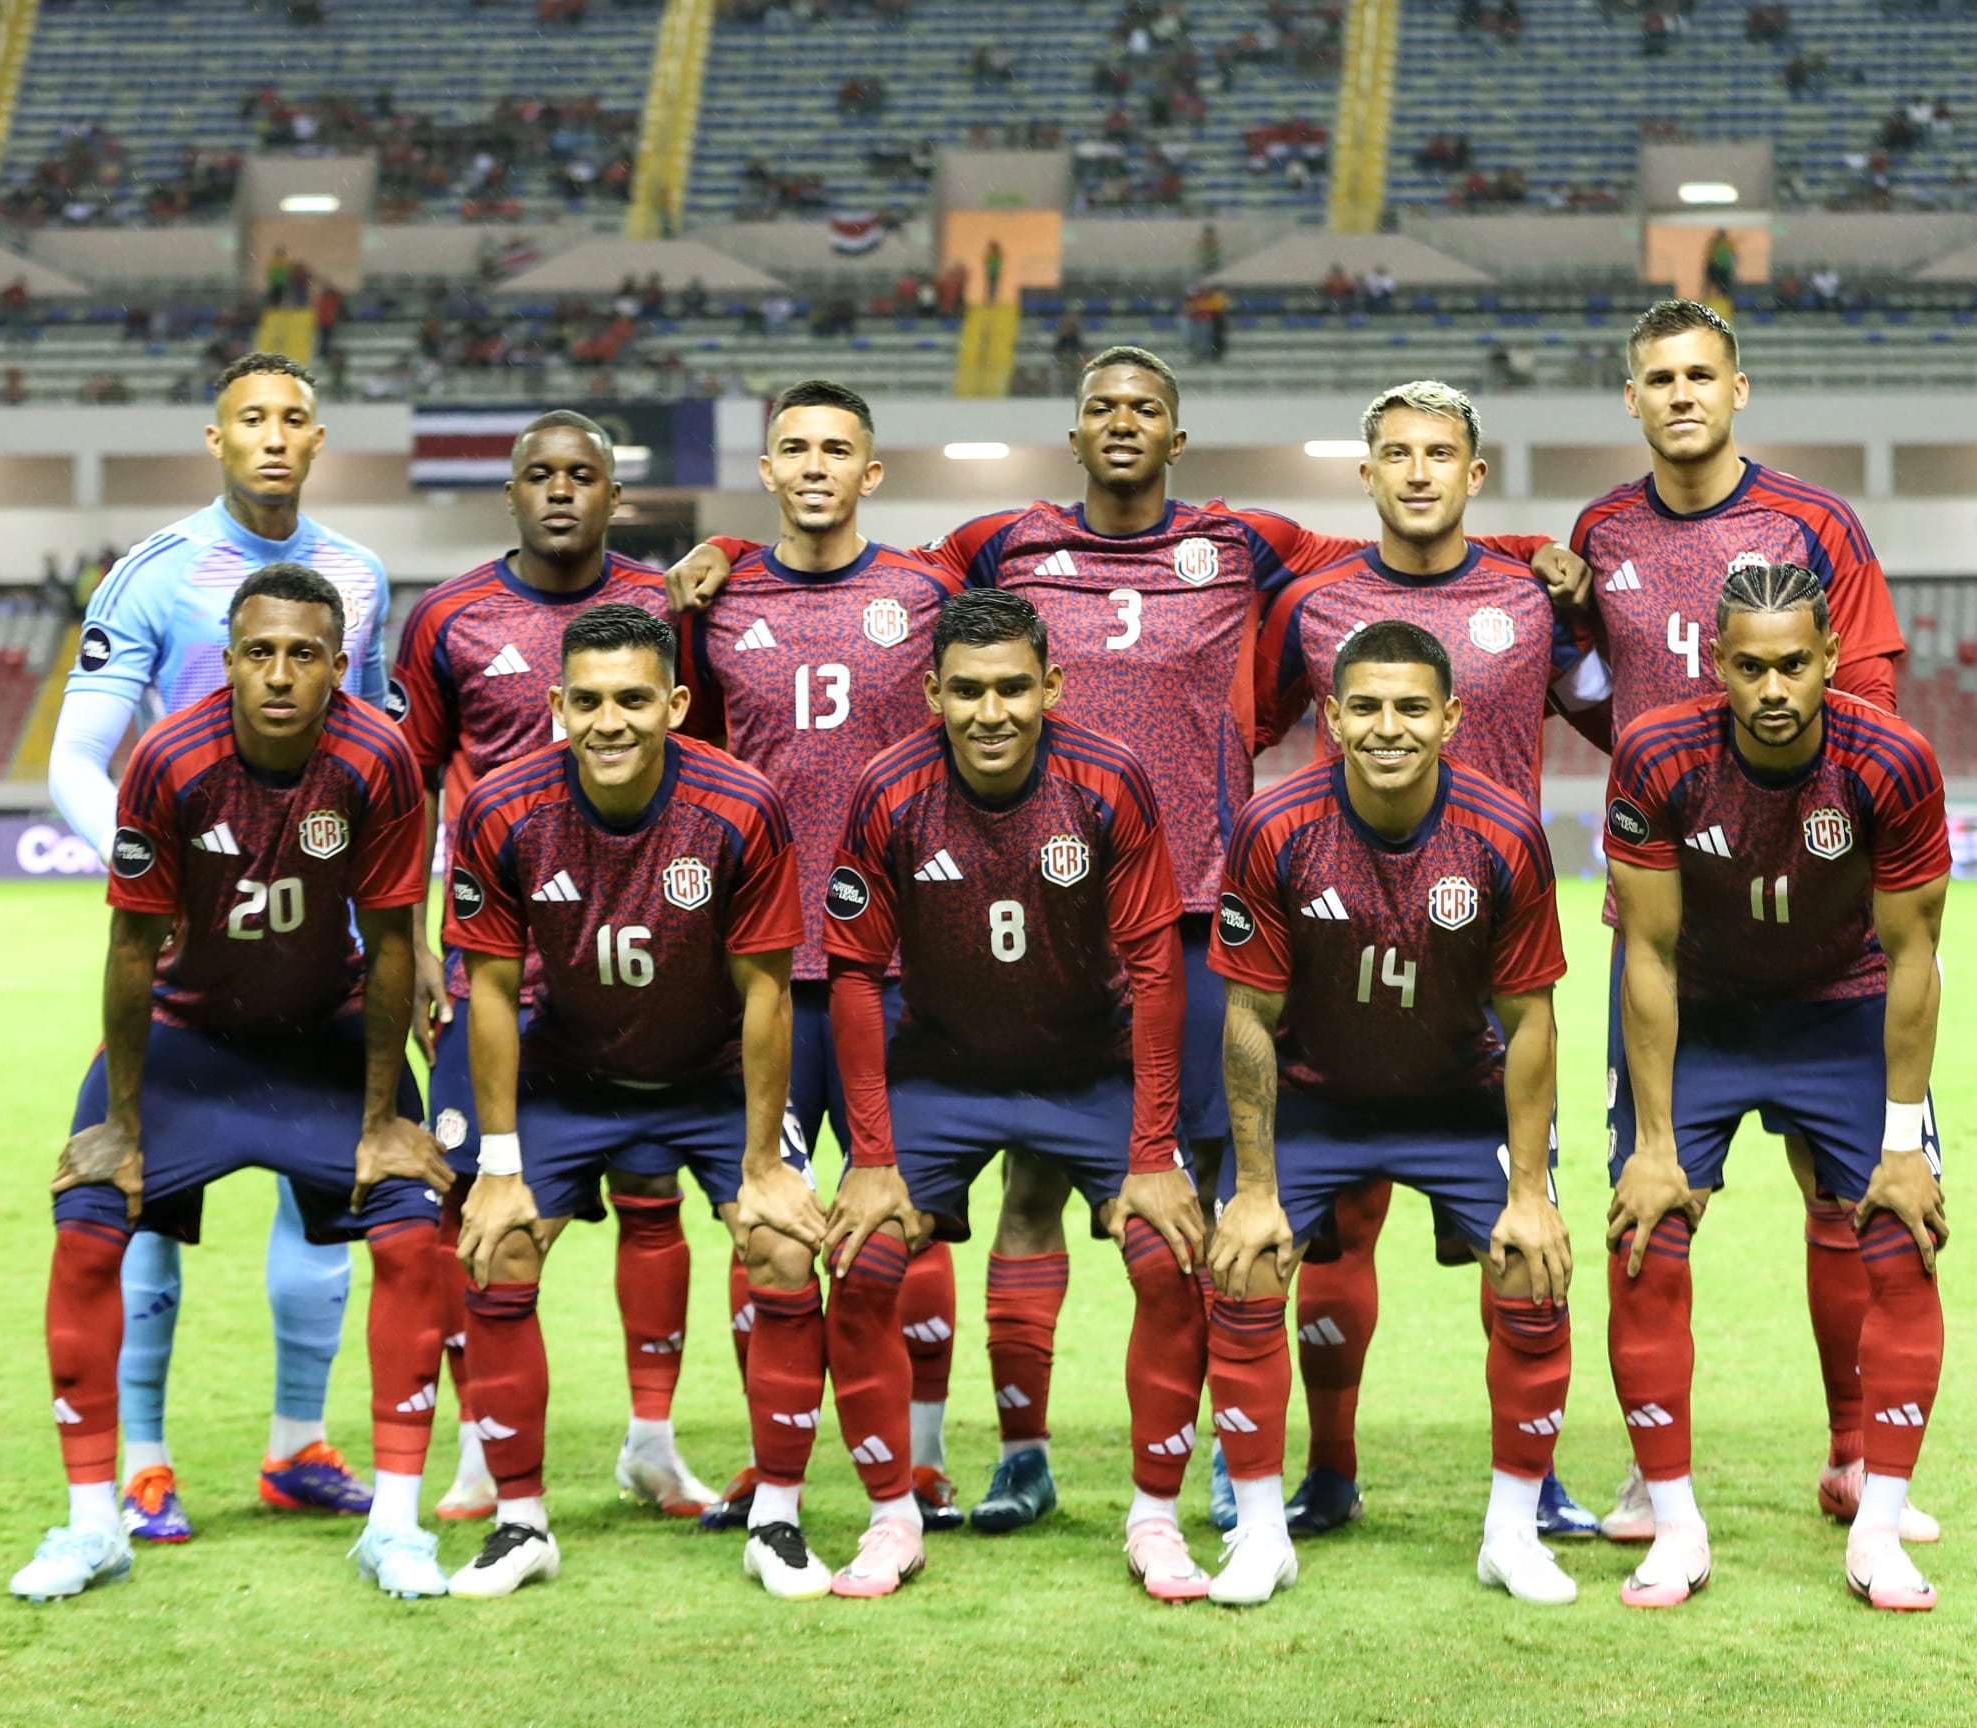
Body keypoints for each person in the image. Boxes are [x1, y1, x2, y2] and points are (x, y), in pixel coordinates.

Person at [668, 347, 1580, 1535]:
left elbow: (1385, 550)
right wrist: (732, 555)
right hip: (1033, 914)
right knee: (1031, 1192)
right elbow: (858, 565)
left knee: (1198, 1193)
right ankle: (1023, 1454)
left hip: (1199, 916)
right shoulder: (1001, 549)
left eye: (1146, 408)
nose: (1122, 424)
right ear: (1073, 430)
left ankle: (1214, 1454)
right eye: (1101, 407)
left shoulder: (1248, 547)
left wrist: (1515, 553)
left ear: (1176, 436)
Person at [1557, 299, 1931, 1546]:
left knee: (1847, 1203)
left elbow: (1864, 696)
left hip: (1823, 917)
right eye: (1657, 377)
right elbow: (1592, 694)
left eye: (1700, 375)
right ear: (1631, 398)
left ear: (1739, 389)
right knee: (1652, 1202)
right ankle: (1649, 1474)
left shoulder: (1814, 526)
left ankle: (1848, 1447)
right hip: (1671, 912)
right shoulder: (1600, 532)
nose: (1679, 394)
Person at [9, 564, 455, 1603]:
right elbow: (131, 951)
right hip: (186, 1042)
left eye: (305, 653)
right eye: (260, 651)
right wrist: (120, 1122)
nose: (282, 673)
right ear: (228, 658)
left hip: (325, 1040)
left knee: (412, 1231)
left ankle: (396, 1526)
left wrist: (387, 1115)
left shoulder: (377, 757)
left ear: (341, 666)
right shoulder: (168, 757)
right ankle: (92, 1525)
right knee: (85, 1225)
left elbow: (394, 945)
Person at [46, 353, 396, 1541]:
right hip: (192, 954)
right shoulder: (156, 572)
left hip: (329, 945)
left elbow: (382, 755)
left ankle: (298, 1445)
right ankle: (144, 1460)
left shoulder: (359, 574)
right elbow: (73, 763)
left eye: (295, 418)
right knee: (142, 1192)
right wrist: (161, 879)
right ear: (216, 439)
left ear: (318, 436)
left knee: (330, 1198)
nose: (275, 437)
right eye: (252, 419)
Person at [1249, 380, 1607, 1539]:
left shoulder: (1530, 595)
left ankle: (1533, 1486)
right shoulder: (1313, 603)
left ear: (1474, 473)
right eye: (1395, 454)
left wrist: (1546, 557)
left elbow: (1609, 704)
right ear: (1365, 475)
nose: (1416, 472)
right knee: (1334, 1231)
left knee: (1520, 1234)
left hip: (1488, 953)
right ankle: (1330, 1472)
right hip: (1339, 948)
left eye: (1439, 453)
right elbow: (1247, 721)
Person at [821, 588, 1213, 1602]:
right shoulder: (888, 789)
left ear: (1052, 686)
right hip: (944, 1073)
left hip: (1088, 1071)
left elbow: (1157, 968)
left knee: (1171, 1261)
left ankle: (1156, 1521)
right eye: (966, 692)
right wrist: (869, 1159)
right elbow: (856, 973)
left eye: (1010, 688)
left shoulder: (1107, 781)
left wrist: (1153, 1153)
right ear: (931, 694)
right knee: (861, 1260)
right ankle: (890, 1518)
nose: (990, 712)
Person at [1601, 559, 1951, 1612]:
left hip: (1842, 1011)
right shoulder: (1658, 755)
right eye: (1750, 667)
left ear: (1831, 657)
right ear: (1718, 665)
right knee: (1644, 1238)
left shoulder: (1891, 761)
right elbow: (1648, 956)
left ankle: (1879, 1527)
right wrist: (1654, 1145)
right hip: (1702, 1016)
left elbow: (1913, 956)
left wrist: (1900, 1141)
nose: (1773, 688)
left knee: (1904, 1240)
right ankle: (1674, 1523)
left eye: (1794, 664)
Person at [1207, 620, 1576, 1608]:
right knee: (1241, 1263)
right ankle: (1259, 1535)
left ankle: (1511, 1534)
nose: (1388, 727)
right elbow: (1249, 1019)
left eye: (1412, 706)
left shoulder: (1503, 831)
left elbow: (1530, 1020)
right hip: (1318, 1103)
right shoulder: (1275, 826)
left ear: (1452, 716)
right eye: (1364, 706)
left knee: (1534, 1270)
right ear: (1329, 717)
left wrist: (1532, 1192)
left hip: (1461, 1105)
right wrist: (1250, 1190)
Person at [440, 604, 805, 1598]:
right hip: (572, 1077)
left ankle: (778, 1517)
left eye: (635, 699)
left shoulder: (740, 806)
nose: (610, 721)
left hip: (713, 1080)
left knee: (780, 1244)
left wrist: (766, 1166)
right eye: (589, 701)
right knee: (498, 1243)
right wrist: (502, 1168)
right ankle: (520, 1525)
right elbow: (487, 988)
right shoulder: (503, 809)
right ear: (556, 705)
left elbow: (767, 990)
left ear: (677, 704)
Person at [668, 380, 968, 1533]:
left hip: (906, 966)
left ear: (871, 473)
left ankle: (926, 1459)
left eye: (837, 448)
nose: (813, 464)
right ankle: (771, 1458)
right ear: (765, 467)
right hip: (760, 970)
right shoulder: (714, 594)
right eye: (792, 446)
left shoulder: (928, 592)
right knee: (769, 1219)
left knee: (908, 1215)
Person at [392, 411, 698, 1525]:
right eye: (540, 475)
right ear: (510, 493)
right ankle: (483, 1450)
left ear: (615, 496)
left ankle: (653, 1444)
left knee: (655, 1194)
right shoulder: (449, 619)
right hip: (497, 972)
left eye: (583, 476)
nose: (561, 492)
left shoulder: (668, 608)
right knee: (480, 1214)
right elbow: (404, 782)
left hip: (647, 967)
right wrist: (416, 940)